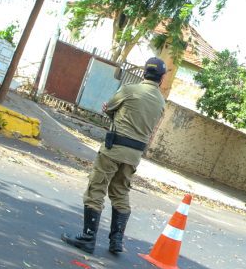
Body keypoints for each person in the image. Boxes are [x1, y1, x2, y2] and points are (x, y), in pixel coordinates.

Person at [61, 57, 167, 254]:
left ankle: (88, 238)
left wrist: (112, 113)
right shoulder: (161, 102)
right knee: (120, 192)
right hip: (134, 154)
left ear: (144, 73)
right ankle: (116, 241)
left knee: (96, 188)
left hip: (114, 148)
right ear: (161, 78)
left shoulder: (129, 90)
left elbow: (109, 108)